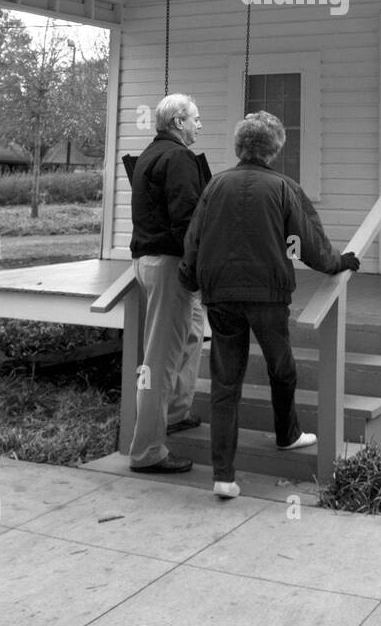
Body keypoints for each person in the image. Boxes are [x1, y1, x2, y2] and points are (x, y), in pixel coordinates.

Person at [180, 111, 359, 499]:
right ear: (275, 148)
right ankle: (287, 433)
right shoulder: (284, 187)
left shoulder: (215, 185)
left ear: (239, 146)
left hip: (221, 295)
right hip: (267, 296)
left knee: (226, 382)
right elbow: (310, 242)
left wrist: (190, 276)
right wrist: (338, 263)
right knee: (283, 368)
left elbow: (194, 238)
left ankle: (223, 476)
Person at [128, 93, 211, 474]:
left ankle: (176, 412)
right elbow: (187, 220)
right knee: (159, 360)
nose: (199, 125)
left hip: (153, 262)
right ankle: (147, 451)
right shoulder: (178, 158)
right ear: (178, 122)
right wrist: (199, 266)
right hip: (171, 265)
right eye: (195, 119)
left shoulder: (149, 153)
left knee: (193, 334)